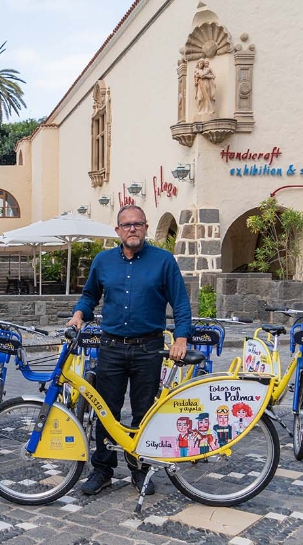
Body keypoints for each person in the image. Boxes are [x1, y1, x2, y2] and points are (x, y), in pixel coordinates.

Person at [66, 204, 191, 496]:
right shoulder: (103, 261)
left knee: (143, 412)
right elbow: (89, 295)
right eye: (126, 225)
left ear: (146, 228)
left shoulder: (164, 261)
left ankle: (140, 470)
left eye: (137, 224)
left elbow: (181, 303)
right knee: (105, 410)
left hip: (148, 348)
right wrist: (79, 314)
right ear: (118, 231)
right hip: (110, 347)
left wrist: (182, 337)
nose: (132, 229)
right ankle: (103, 470)